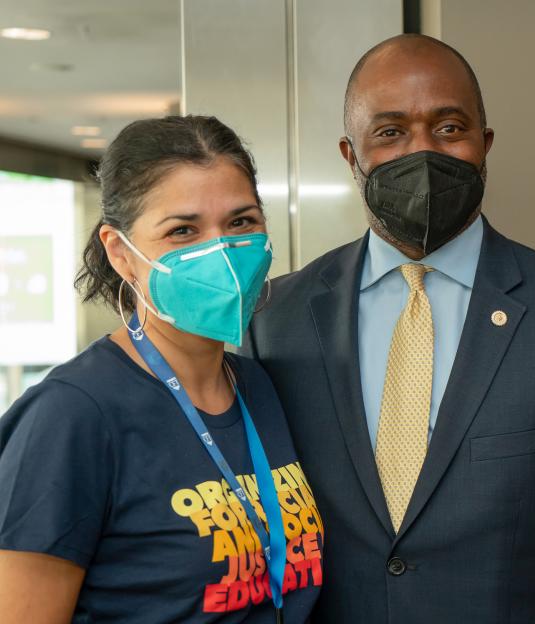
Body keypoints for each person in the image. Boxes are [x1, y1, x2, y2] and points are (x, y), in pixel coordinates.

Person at [241, 34, 535, 622]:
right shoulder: (272, 321)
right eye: (389, 132)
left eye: (449, 128)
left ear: (485, 143)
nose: (423, 153)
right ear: (349, 155)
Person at [0, 116, 324, 623]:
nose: (218, 250)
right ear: (120, 254)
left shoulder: (258, 385)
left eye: (241, 223)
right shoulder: (72, 414)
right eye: (183, 231)